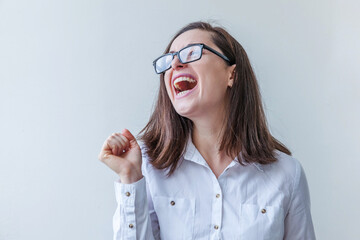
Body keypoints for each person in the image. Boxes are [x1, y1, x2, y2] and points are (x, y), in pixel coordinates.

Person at [99, 21, 316, 240]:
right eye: (169, 59)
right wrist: (130, 177)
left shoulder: (287, 174)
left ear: (231, 75)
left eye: (191, 53)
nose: (175, 64)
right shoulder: (148, 165)